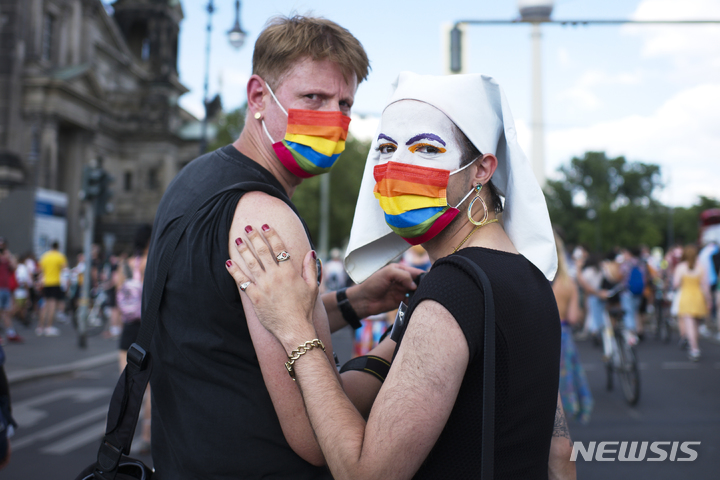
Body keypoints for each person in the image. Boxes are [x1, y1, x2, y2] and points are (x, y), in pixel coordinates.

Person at [227, 72, 575, 479]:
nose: (398, 165)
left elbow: (365, 474)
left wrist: (294, 330)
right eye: (387, 148)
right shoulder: (532, 276)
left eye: (427, 148)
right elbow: (560, 449)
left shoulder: (454, 288)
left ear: (482, 169)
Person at [143, 16, 420, 479]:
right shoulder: (265, 217)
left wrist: (356, 302)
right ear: (258, 97)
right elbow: (315, 436)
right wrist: (400, 343)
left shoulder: (196, 179)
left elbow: (229, 326)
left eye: (345, 104)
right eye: (313, 97)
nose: (334, 118)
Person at [116, 225, 152, 455]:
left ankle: (118, 435)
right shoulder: (154, 262)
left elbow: (120, 298)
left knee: (126, 383)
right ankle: (146, 436)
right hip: (148, 328)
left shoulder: (125, 266)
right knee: (149, 388)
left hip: (128, 329)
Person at [552, 233, 593, 424]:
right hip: (562, 334)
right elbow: (573, 317)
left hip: (538, 336)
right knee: (564, 376)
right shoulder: (568, 284)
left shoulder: (533, 281)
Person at [673, 244, 711, 361]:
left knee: (689, 324)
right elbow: (706, 286)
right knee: (696, 324)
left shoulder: (680, 267)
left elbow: (676, 284)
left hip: (686, 297)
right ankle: (695, 345)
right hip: (698, 297)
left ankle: (694, 349)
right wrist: (708, 300)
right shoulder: (701, 267)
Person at [37, 241, 67, 336]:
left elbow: (40, 270)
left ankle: (40, 327)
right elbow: (64, 268)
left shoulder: (45, 256)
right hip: (55, 282)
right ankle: (49, 327)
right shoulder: (59, 256)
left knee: (45, 305)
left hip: (46, 282)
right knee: (52, 305)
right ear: (58, 247)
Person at [0, 239, 22, 343]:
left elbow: (14, 267)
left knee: (6, 312)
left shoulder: (6, 257)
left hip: (5, 289)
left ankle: (10, 333)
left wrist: (8, 256)